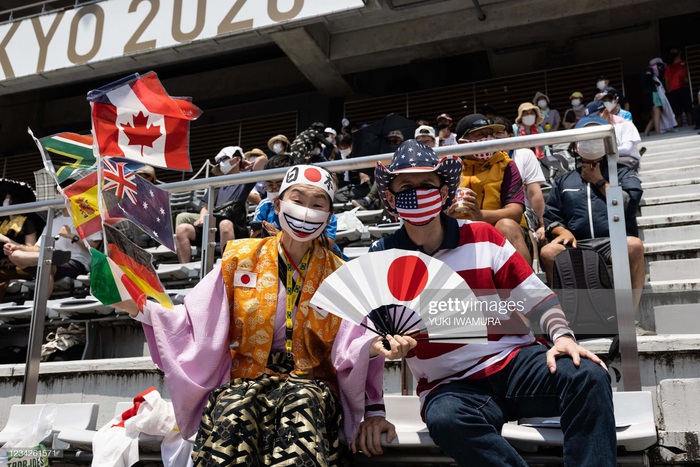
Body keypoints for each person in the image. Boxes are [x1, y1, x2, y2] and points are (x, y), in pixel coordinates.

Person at [333, 139, 616, 466]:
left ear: (443, 192)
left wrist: (563, 336)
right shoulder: (381, 257)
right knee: (446, 420)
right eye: (406, 186)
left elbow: (535, 296)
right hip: (450, 386)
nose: (418, 191)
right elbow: (359, 338)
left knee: (587, 375)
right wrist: (382, 347)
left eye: (427, 184)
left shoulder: (483, 236)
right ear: (391, 198)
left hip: (515, 362)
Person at [124, 165, 349, 465]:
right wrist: (139, 307)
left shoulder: (339, 274)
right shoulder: (240, 257)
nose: (306, 211)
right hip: (248, 378)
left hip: (311, 383)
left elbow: (354, 339)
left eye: (318, 205)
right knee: (233, 409)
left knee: (302, 407)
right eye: (298, 200)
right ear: (278, 205)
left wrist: (371, 349)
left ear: (329, 215)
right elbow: (197, 318)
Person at [540, 116, 644, 310]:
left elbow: (628, 205)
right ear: (576, 145)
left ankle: (630, 316)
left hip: (612, 242)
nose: (591, 144)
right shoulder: (564, 180)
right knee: (548, 252)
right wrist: (562, 232)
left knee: (634, 246)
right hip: (577, 244)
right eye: (586, 139)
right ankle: (564, 319)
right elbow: (551, 215)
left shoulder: (621, 172)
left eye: (597, 138)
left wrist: (599, 181)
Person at [449, 114, 531, 264]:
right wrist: (448, 215)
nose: (487, 139)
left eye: (489, 134)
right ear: (462, 142)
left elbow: (515, 212)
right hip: (461, 231)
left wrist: (480, 216)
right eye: (480, 135)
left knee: (506, 225)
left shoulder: (506, 164)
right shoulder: (448, 167)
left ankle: (525, 284)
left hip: (499, 229)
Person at [174, 146, 266, 263]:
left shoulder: (244, 180)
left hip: (234, 227)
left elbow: (262, 160)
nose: (221, 163)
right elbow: (206, 207)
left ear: (237, 159)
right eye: (219, 161)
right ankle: (185, 266)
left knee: (225, 224)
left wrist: (246, 164)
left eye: (224, 158)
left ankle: (227, 266)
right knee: (182, 229)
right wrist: (202, 219)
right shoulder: (216, 184)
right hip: (212, 226)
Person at [1, 205, 101, 299]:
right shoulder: (52, 222)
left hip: (75, 262)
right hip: (48, 259)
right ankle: (51, 257)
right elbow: (37, 248)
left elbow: (95, 247)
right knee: (13, 255)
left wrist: (71, 236)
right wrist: (16, 247)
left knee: (46, 267)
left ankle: (39, 306)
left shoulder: (88, 219)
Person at [492, 116, 547, 243]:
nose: (494, 138)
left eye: (499, 133)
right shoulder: (482, 162)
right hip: (493, 214)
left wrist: (544, 225)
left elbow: (534, 192)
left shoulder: (524, 154)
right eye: (491, 134)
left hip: (524, 214)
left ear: (510, 136)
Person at [585, 100, 642, 171]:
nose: (593, 121)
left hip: (626, 164)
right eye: (589, 119)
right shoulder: (593, 133)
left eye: (595, 117)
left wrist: (600, 152)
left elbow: (627, 149)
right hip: (604, 164)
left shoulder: (626, 125)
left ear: (606, 112)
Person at [642, 58, 676, 136]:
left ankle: (646, 133)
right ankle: (657, 131)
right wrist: (656, 83)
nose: (660, 69)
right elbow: (648, 77)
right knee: (657, 112)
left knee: (654, 115)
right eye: (659, 66)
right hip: (652, 94)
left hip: (647, 95)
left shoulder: (647, 70)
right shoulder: (649, 69)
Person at [664, 47, 693, 128]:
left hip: (684, 88)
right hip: (673, 91)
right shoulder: (669, 67)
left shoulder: (685, 63)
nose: (673, 52)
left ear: (679, 52)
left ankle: (690, 126)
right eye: (671, 51)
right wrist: (668, 90)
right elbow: (666, 80)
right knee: (677, 112)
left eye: (674, 50)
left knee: (688, 109)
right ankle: (679, 129)